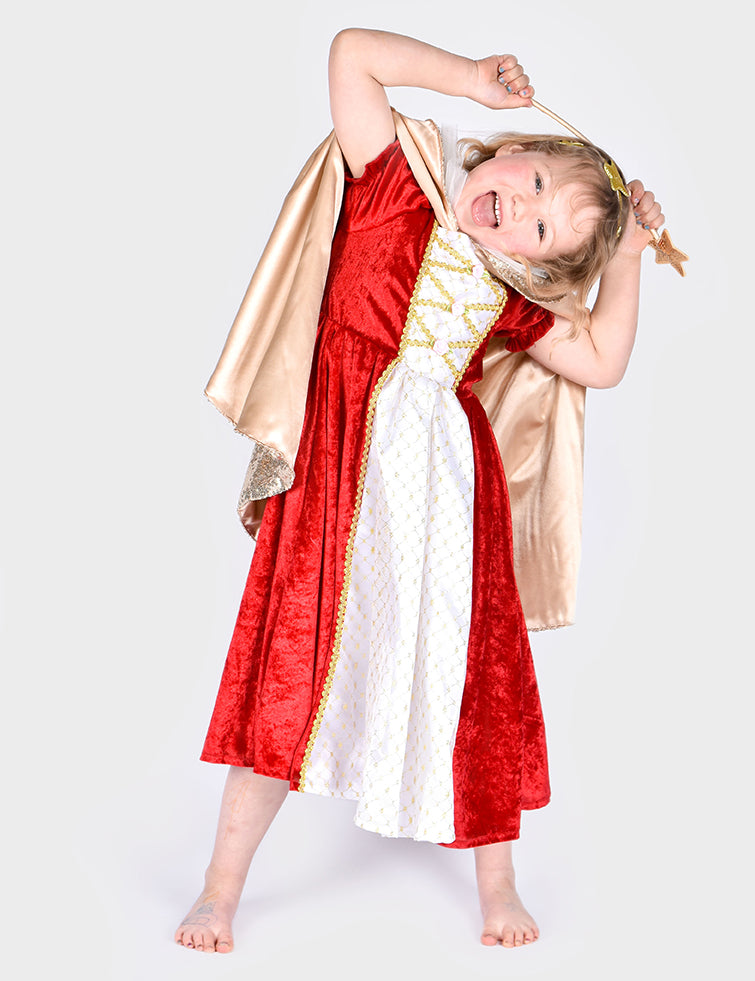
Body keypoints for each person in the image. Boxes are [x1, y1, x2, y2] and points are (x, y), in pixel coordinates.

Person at [175, 28, 664, 953]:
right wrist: (470, 80)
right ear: (512, 148)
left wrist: (627, 258)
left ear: (539, 266)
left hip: (444, 501)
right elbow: (350, 54)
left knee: (471, 672)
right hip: (336, 473)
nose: (520, 208)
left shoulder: (510, 297)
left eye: (541, 228)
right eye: (532, 180)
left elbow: (601, 358)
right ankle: (218, 888)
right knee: (292, 660)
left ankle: (498, 884)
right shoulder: (397, 179)